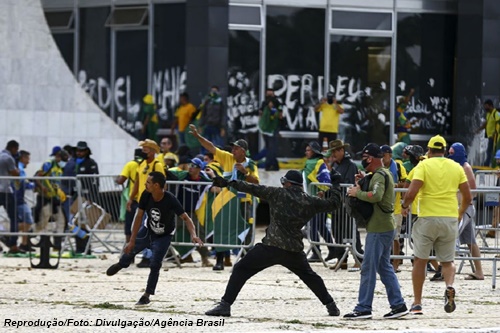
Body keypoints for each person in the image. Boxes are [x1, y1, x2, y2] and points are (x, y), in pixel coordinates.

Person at [204, 169, 343, 317]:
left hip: (271, 247)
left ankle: (225, 305)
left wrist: (227, 183)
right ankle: (331, 306)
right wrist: (335, 185)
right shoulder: (310, 201)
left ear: (287, 183)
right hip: (293, 250)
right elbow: (334, 204)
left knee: (240, 269)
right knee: (311, 277)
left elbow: (251, 188)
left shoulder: (277, 193)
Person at [106, 172, 203, 306]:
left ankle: (146, 295)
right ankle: (122, 264)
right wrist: (132, 239)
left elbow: (186, 218)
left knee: (155, 264)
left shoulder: (170, 199)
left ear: (156, 185)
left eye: (148, 182)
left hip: (164, 235)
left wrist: (193, 235)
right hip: (148, 230)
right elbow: (139, 217)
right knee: (130, 249)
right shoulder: (146, 195)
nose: (145, 184)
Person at [401, 135, 472, 315]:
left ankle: (417, 303)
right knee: (448, 261)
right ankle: (449, 286)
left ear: (429, 150)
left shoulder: (424, 165)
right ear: (445, 150)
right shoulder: (456, 167)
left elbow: (411, 191)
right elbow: (468, 196)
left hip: (427, 218)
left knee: (420, 260)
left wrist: (404, 206)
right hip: (449, 217)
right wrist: (460, 213)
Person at [344, 143, 408, 320]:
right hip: (384, 226)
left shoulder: (379, 175)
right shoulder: (380, 174)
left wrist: (357, 194)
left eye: (364, 158)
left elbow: (377, 195)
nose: (362, 161)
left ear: (370, 158)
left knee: (368, 268)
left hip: (379, 228)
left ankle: (363, 307)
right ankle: (398, 305)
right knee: (384, 267)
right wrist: (363, 181)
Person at [189, 124, 259, 270]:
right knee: (222, 228)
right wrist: (197, 137)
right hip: (226, 200)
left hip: (243, 201)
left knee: (246, 230)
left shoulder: (251, 164)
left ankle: (245, 261)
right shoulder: (227, 158)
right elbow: (211, 147)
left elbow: (256, 182)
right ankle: (220, 260)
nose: (233, 150)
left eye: (236, 148)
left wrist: (245, 173)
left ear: (243, 151)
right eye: (232, 148)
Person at [448, 142, 484, 280]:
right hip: (461, 207)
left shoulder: (466, 167)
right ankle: (479, 271)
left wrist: (462, 205)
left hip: (465, 208)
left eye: (452, 153)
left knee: (452, 235)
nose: (450, 155)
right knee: (471, 242)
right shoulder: (456, 166)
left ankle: (446, 269)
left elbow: (473, 190)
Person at [325, 139, 363, 270]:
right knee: (337, 233)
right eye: (332, 151)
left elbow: (349, 183)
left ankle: (359, 258)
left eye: (336, 151)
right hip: (336, 205)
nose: (333, 154)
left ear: (342, 150)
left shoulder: (350, 165)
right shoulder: (335, 165)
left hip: (347, 204)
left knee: (352, 232)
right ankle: (342, 259)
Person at [127, 139, 165, 268]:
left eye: (145, 149)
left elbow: (162, 184)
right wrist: (131, 198)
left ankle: (148, 256)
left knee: (149, 229)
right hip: (142, 201)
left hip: (153, 201)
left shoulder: (157, 165)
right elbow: (137, 182)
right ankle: (145, 255)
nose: (143, 151)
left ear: (152, 151)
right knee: (141, 229)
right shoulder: (141, 164)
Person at [302, 141, 336, 262]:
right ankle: (332, 249)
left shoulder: (318, 163)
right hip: (312, 200)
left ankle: (317, 252)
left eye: (309, 150)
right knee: (320, 226)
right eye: (306, 150)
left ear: (314, 151)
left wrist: (322, 192)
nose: (306, 152)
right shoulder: (312, 163)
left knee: (313, 226)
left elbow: (325, 182)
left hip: (317, 200)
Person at [34, 147, 69, 251]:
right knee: (43, 222)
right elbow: (37, 177)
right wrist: (42, 188)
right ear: (58, 156)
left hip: (55, 198)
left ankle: (57, 246)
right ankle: (29, 237)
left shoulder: (61, 167)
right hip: (45, 198)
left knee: (61, 221)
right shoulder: (49, 164)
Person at [380, 145, 407, 273]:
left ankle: (396, 263)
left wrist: (395, 185)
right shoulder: (378, 167)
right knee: (382, 235)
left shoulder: (398, 166)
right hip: (381, 207)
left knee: (395, 237)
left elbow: (406, 183)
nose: (382, 158)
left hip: (395, 207)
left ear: (389, 155)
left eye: (383, 155)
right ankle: (383, 261)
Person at [116, 149, 146, 243]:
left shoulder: (130, 164)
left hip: (133, 200)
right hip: (146, 199)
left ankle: (129, 247)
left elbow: (121, 180)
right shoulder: (146, 165)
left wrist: (116, 179)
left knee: (129, 225)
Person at [75, 141, 99, 254]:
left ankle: (86, 248)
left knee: (85, 223)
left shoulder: (91, 163)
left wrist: (92, 198)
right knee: (74, 223)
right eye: (78, 150)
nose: (79, 153)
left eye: (82, 151)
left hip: (86, 197)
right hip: (75, 197)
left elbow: (95, 181)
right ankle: (79, 247)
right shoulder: (74, 162)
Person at [12, 150, 34, 252]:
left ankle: (24, 243)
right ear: (23, 158)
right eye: (28, 159)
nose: (28, 162)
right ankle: (6, 233)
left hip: (17, 198)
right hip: (18, 199)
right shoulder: (20, 169)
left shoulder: (18, 167)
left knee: (24, 221)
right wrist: (34, 185)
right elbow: (23, 183)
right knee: (28, 220)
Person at [0, 140, 20, 253]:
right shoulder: (8, 158)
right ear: (13, 148)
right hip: (6, 191)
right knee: (14, 217)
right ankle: (13, 245)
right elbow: (15, 173)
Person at [258, 88, 282, 171]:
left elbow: (280, 115)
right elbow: (260, 114)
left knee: (272, 147)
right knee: (269, 147)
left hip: (273, 128)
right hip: (265, 128)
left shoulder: (277, 103)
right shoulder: (264, 103)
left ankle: (270, 164)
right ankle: (273, 164)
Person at [476, 99, 500, 167]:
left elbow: (499, 123)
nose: (485, 108)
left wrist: (495, 133)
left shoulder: (496, 114)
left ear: (490, 106)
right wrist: (479, 129)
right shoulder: (489, 114)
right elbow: (486, 124)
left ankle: (489, 164)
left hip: (495, 137)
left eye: (486, 106)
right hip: (490, 136)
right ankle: (490, 164)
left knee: (490, 151)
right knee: (490, 151)